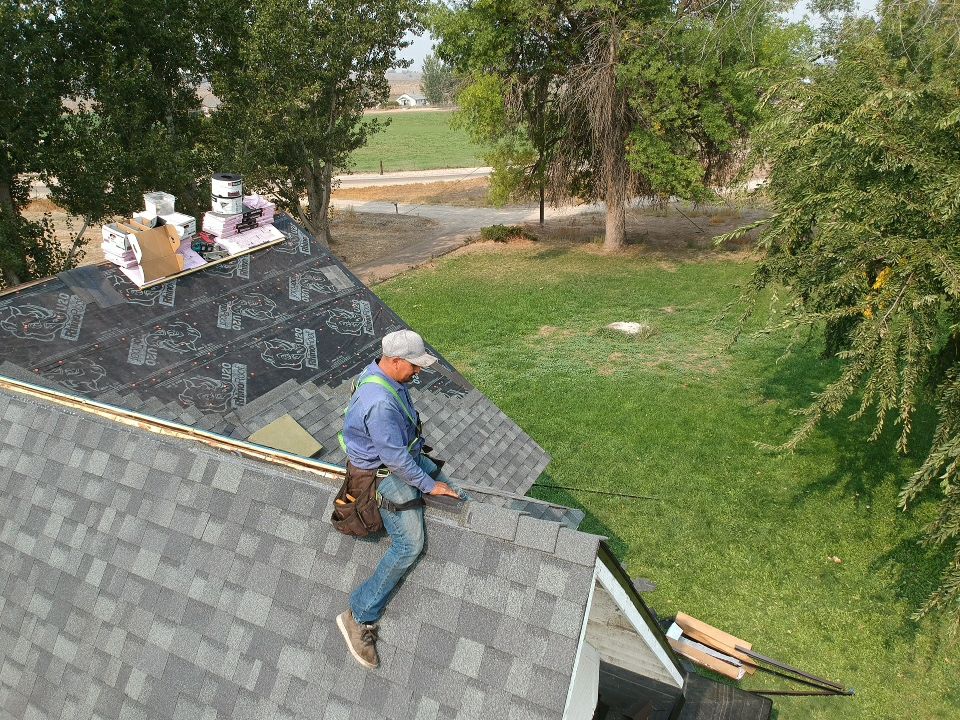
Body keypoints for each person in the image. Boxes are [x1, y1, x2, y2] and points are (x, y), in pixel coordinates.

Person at [337, 329, 463, 669]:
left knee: (457, 498)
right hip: (387, 474)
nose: (418, 372)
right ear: (394, 361)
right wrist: (429, 485)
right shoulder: (379, 403)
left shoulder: (383, 377)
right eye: (414, 366)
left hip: (404, 458)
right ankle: (359, 614)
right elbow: (394, 460)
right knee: (409, 546)